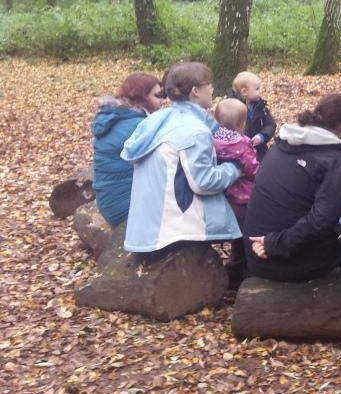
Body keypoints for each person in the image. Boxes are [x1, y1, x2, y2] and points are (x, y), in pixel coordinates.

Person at [120, 62, 242, 253]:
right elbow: (204, 182)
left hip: (145, 229)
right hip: (173, 232)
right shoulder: (193, 130)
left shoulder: (157, 119)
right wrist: (236, 167)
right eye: (209, 84)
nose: (212, 89)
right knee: (247, 210)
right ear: (195, 91)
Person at [244, 94, 341, 282]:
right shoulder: (335, 161)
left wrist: (271, 243)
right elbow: (321, 221)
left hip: (255, 256)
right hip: (286, 264)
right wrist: (273, 244)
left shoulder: (282, 144)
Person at [91, 73, 165, 229]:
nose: (163, 100)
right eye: (157, 95)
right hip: (126, 207)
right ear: (141, 97)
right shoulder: (138, 125)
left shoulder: (114, 116)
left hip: (108, 201)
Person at [212, 98, 261, 287]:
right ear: (241, 124)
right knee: (247, 235)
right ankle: (247, 273)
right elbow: (252, 169)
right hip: (245, 196)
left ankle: (233, 273)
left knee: (237, 238)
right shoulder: (242, 144)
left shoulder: (211, 138)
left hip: (227, 195)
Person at [230, 71, 276, 161]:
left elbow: (270, 124)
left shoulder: (261, 106)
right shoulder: (232, 107)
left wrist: (262, 136)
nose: (261, 91)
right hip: (240, 151)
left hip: (259, 150)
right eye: (257, 89)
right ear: (244, 92)